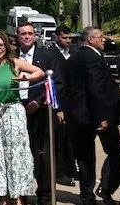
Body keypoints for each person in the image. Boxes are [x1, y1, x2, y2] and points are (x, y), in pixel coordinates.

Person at [0, 31, 43, 205]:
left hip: (13, 112)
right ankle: (3, 194)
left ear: (6, 47)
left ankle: (18, 195)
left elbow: (39, 72)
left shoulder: (14, 63)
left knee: (16, 155)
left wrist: (27, 77)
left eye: (1, 45)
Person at [66, 26, 120, 205]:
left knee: (85, 158)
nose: (104, 39)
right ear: (90, 40)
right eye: (101, 37)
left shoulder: (74, 57)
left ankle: (87, 196)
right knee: (116, 153)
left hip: (79, 117)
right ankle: (106, 189)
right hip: (98, 117)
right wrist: (102, 117)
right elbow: (96, 89)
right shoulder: (92, 58)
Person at [16, 21, 60, 205]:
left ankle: (44, 193)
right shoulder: (10, 57)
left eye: (29, 33)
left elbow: (54, 82)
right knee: (20, 154)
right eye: (23, 34)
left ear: (35, 35)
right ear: (17, 36)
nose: (26, 36)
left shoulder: (47, 55)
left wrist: (38, 101)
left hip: (40, 112)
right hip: (16, 111)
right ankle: (21, 193)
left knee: (42, 155)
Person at [50, 25, 76, 186]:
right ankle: (59, 172)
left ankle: (70, 168)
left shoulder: (72, 54)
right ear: (56, 37)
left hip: (72, 103)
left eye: (69, 38)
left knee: (70, 139)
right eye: (65, 37)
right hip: (58, 103)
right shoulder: (52, 55)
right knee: (59, 140)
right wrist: (58, 108)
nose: (68, 40)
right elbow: (52, 84)